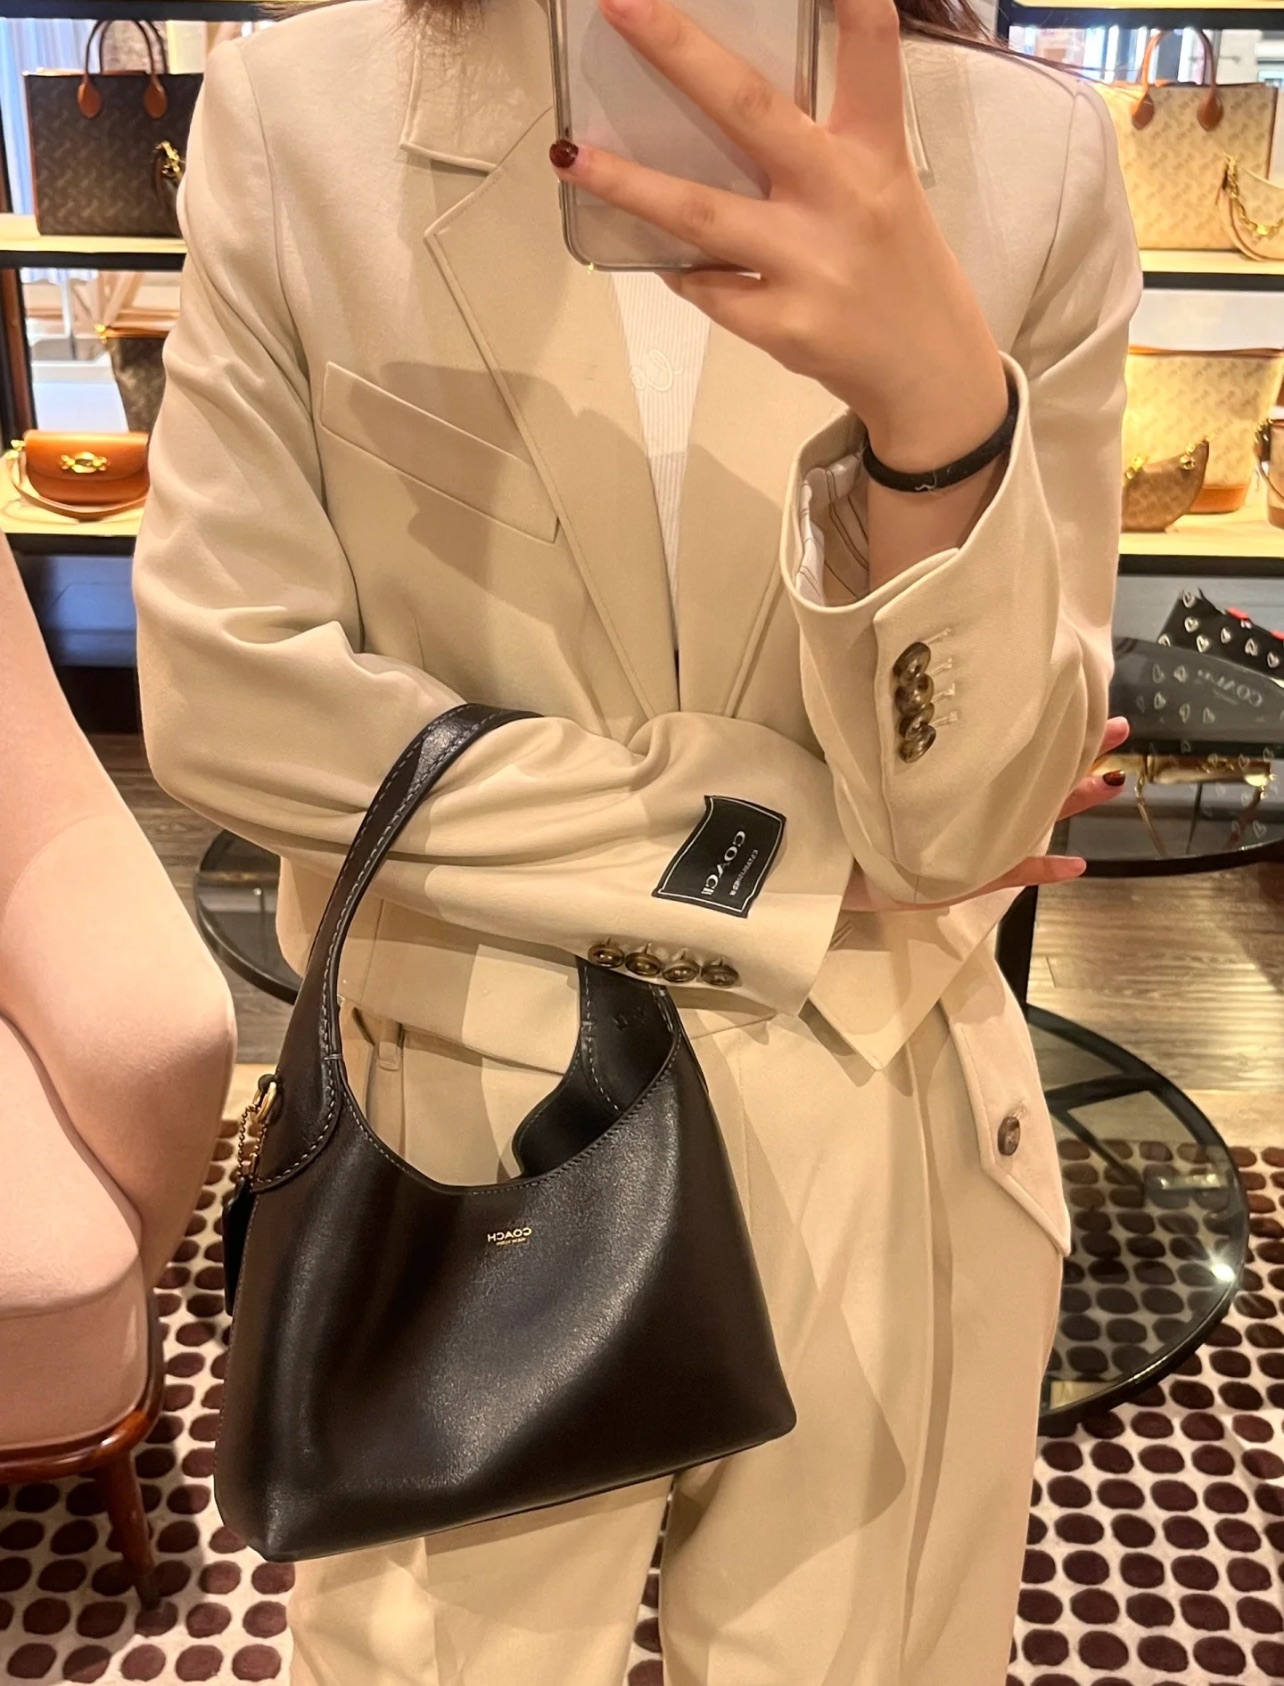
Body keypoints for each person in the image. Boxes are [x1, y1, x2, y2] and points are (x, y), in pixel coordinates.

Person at [131, 0, 1142, 1675]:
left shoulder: (1032, 163)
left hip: (881, 1124)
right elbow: (228, 694)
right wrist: (780, 855)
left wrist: (939, 419)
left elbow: (965, 820)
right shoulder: (302, 117)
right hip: (464, 1135)